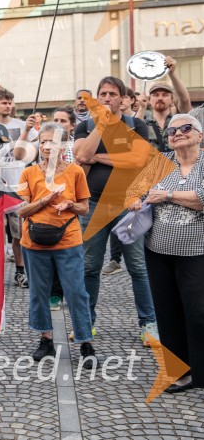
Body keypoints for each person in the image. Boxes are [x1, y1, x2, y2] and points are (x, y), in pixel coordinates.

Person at [73, 76, 158, 345]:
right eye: (102, 94)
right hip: (94, 205)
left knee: (138, 267)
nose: (107, 98)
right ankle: (86, 323)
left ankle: (149, 324)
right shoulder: (86, 125)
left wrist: (98, 157)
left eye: (112, 94)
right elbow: (81, 156)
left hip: (128, 204)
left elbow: (136, 159)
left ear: (123, 98)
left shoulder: (137, 126)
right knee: (89, 267)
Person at [126, 113, 204, 393]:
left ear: (200, 135)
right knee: (167, 311)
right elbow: (133, 192)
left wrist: (167, 195)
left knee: (197, 312)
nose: (177, 133)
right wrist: (135, 199)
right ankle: (180, 372)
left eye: (186, 128)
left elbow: (202, 200)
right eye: (171, 130)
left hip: (196, 251)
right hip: (157, 250)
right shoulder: (161, 163)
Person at [17, 123, 96, 366]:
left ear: (64, 146)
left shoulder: (75, 172)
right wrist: (46, 200)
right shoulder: (29, 173)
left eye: (53, 141)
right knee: (39, 293)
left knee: (76, 292)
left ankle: (85, 342)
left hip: (68, 241)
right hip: (33, 242)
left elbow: (84, 207)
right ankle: (46, 340)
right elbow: (21, 210)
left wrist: (70, 204)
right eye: (43, 141)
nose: (47, 146)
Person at [0, 89, 37, 287]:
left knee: (18, 235)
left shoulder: (21, 125)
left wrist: (29, 130)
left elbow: (38, 142)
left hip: (17, 187)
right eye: (4, 102)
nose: (9, 106)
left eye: (11, 102)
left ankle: (20, 272)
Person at [145, 58, 191, 153]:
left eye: (165, 95)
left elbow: (185, 100)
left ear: (172, 100)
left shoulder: (179, 121)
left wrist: (172, 74)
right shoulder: (142, 122)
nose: (160, 98)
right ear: (149, 100)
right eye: (155, 95)